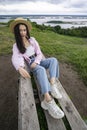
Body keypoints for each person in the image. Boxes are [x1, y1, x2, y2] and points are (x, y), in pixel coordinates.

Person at [10, 17, 64, 119]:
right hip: (30, 64)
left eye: (24, 30)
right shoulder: (16, 46)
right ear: (17, 32)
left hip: (37, 61)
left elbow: (39, 53)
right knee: (41, 69)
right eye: (20, 30)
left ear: (27, 30)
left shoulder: (32, 40)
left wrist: (37, 61)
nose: (22, 32)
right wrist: (20, 68)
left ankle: (52, 84)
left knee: (53, 60)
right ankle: (47, 100)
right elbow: (15, 58)